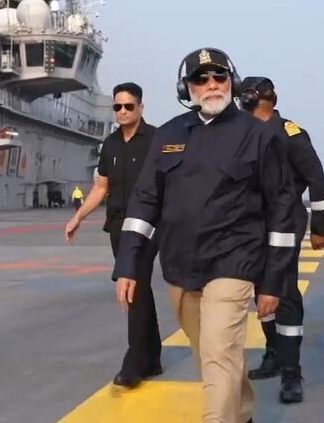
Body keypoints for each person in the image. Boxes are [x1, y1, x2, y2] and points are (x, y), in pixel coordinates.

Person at [115, 47, 297, 423]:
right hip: (181, 266)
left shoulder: (258, 136)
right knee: (215, 356)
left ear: (231, 81)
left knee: (218, 352)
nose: (211, 84)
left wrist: (274, 282)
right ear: (187, 88)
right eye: (201, 79)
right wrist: (129, 264)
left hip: (235, 262)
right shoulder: (168, 135)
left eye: (219, 76)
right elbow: (145, 201)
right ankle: (242, 416)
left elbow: (282, 211)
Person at [238, 75, 324, 404]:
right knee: (260, 290)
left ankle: (292, 371)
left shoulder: (290, 133)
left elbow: (316, 178)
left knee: (285, 291)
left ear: (255, 97)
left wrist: (319, 227)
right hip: (251, 224)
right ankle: (274, 353)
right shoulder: (241, 133)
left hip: (286, 220)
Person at [65, 82, 163, 388]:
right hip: (118, 226)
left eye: (128, 106)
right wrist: (78, 216)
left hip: (147, 225)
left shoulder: (157, 140)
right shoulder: (109, 144)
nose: (122, 111)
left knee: (134, 286)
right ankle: (153, 357)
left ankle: (134, 362)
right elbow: (101, 187)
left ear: (141, 108)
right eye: (117, 107)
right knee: (140, 288)